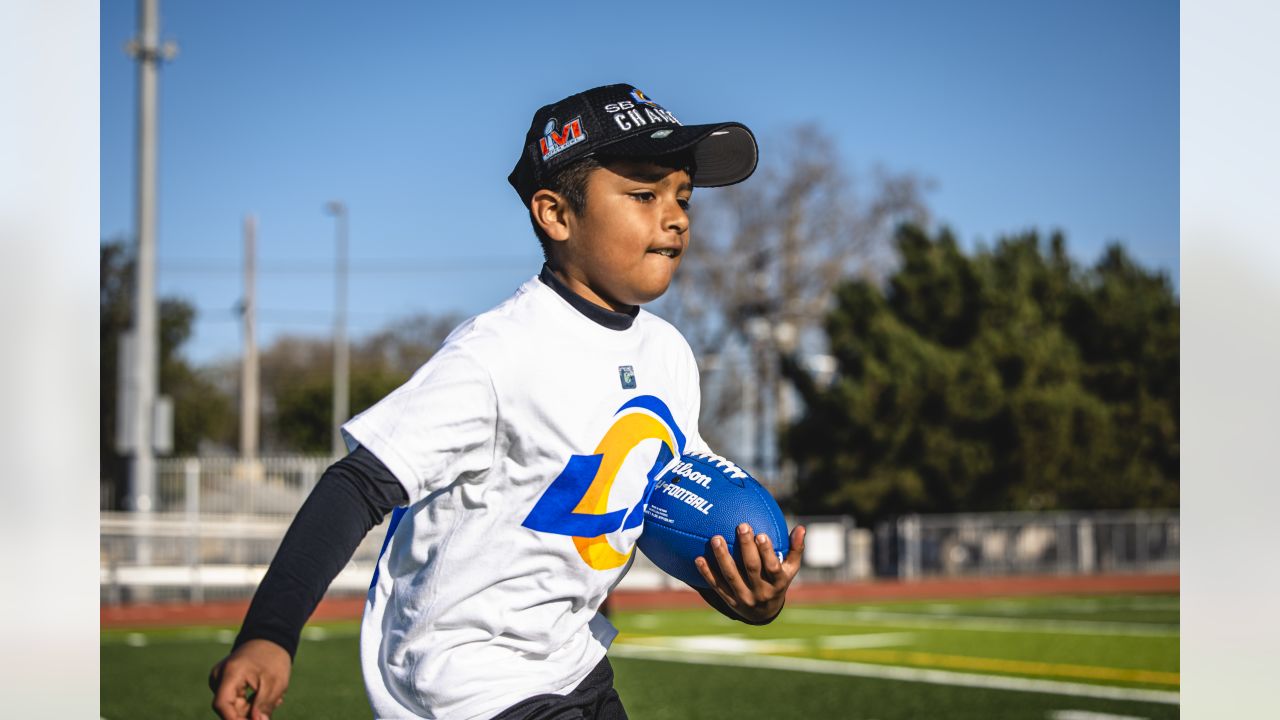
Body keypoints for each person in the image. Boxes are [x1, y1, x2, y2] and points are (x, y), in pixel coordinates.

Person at [209, 83, 806, 720]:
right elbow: (356, 485)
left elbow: (666, 499)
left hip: (571, 662)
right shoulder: (499, 355)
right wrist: (269, 634)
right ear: (555, 214)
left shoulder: (668, 354)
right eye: (643, 194)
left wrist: (741, 588)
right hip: (468, 678)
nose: (676, 216)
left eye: (682, 197)